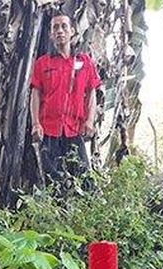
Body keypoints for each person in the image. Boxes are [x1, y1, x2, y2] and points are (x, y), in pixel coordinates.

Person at [30, 11, 101, 182]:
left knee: (84, 180)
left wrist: (90, 121)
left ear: (73, 31)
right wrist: (36, 124)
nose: (60, 31)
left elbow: (91, 91)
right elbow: (35, 93)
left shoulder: (85, 62)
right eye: (55, 27)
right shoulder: (42, 63)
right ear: (51, 34)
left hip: (75, 129)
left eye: (64, 26)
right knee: (53, 182)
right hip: (49, 130)